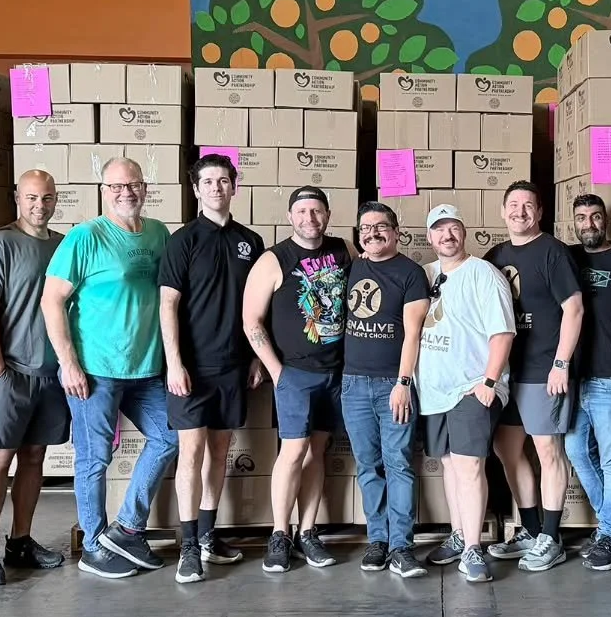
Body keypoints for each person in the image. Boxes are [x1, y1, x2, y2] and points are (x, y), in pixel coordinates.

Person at [41, 157, 177, 579]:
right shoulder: (85, 237)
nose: (126, 193)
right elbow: (51, 301)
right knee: (94, 458)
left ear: (144, 187)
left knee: (170, 437)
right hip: (96, 369)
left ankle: (128, 528)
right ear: (104, 191)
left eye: (132, 184)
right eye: (116, 187)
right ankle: (94, 544)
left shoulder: (158, 233)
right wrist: (69, 363)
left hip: (146, 368)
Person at [158, 154, 265, 584]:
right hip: (192, 369)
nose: (217, 187)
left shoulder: (250, 242)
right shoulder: (182, 241)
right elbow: (168, 304)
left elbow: (261, 307)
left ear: (234, 187)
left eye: (224, 180)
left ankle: (207, 535)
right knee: (193, 452)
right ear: (196, 189)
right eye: (208, 181)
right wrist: (174, 363)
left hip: (234, 367)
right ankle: (188, 546)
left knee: (220, 452)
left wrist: (257, 355)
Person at [243, 186, 352, 574]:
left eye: (317, 211)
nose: (310, 218)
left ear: (327, 214)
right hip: (295, 374)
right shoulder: (274, 259)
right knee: (292, 452)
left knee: (317, 452)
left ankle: (308, 532)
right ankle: (280, 534)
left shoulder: (343, 250)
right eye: (302, 211)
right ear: (291, 216)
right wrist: (276, 371)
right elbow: (251, 320)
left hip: (335, 373)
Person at [0, 170, 68, 587]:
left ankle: (21, 541)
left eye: (46, 198)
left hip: (51, 372)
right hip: (11, 371)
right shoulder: (0, 245)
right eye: (31, 197)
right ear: (17, 197)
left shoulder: (63, 246)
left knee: (34, 458)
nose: (39, 206)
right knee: (0, 457)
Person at [484, 181, 584, 572]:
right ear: (503, 210)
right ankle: (528, 529)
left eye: (528, 205)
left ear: (540, 213)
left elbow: (574, 309)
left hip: (543, 370)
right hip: (508, 370)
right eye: (513, 205)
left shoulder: (552, 251)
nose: (520, 212)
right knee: (507, 449)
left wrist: (561, 363)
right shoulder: (494, 256)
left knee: (547, 451)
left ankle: (551, 537)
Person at [416, 204, 516, 584]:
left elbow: (503, 332)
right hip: (434, 389)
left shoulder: (484, 274)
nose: (447, 236)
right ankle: (459, 535)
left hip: (472, 386)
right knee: (449, 464)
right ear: (430, 237)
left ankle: (474, 548)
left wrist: (489, 382)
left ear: (464, 232)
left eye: (454, 228)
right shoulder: (424, 275)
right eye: (439, 230)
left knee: (470, 465)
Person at [341, 201, 430, 578]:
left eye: (381, 226)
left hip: (392, 384)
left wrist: (403, 383)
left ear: (396, 232)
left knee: (398, 465)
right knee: (367, 466)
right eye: (365, 228)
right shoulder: (352, 266)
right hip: (352, 383)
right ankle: (377, 541)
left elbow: (414, 333)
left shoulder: (411, 273)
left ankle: (402, 547)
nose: (373, 233)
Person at [563, 194, 611, 572]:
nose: (589, 224)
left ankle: (610, 534)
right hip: (573, 376)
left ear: (605, 220)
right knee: (576, 452)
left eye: (595, 217)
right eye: (582, 218)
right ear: (574, 223)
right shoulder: (567, 259)